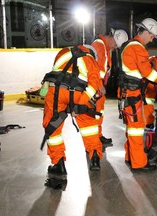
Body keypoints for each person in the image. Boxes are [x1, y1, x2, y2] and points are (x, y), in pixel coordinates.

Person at [41, 45, 103, 189]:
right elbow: (94, 84)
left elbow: (57, 72)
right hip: (78, 93)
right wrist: (80, 104)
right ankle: (94, 158)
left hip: (55, 91)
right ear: (91, 53)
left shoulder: (62, 52)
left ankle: (58, 166)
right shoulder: (90, 59)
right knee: (90, 127)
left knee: (53, 129)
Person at [118, 18, 157, 171]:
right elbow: (147, 72)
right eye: (152, 36)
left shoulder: (128, 46)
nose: (152, 39)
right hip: (132, 94)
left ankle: (130, 157)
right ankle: (139, 163)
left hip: (127, 93)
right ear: (146, 32)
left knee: (131, 128)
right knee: (136, 129)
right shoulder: (138, 48)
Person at [92, 28, 128, 149]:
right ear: (114, 38)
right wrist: (100, 85)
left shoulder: (105, 48)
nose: (116, 48)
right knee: (95, 113)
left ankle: (98, 135)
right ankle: (93, 140)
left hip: (98, 86)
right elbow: (95, 69)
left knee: (99, 113)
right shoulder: (99, 45)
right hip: (95, 86)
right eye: (116, 45)